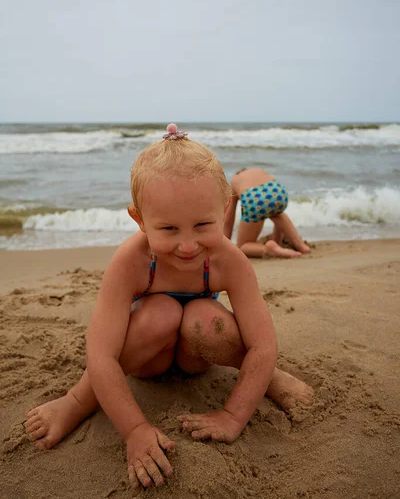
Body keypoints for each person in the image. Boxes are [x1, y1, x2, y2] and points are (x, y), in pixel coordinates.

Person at [25, 124, 314, 491]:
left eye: (203, 224)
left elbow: (262, 342)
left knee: (204, 319)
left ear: (224, 208)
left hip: (198, 353)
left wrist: (232, 415)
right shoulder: (131, 260)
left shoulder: (228, 260)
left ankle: (268, 378)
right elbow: (101, 354)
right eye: (170, 229)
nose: (189, 244)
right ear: (140, 220)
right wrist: (135, 430)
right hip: (149, 357)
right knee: (162, 312)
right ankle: (75, 401)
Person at [224, 167, 310, 258]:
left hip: (253, 197)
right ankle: (300, 245)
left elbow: (229, 219)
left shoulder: (234, 180)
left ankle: (269, 249)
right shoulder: (258, 170)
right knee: (277, 213)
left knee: (243, 246)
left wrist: (223, 244)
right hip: (277, 191)